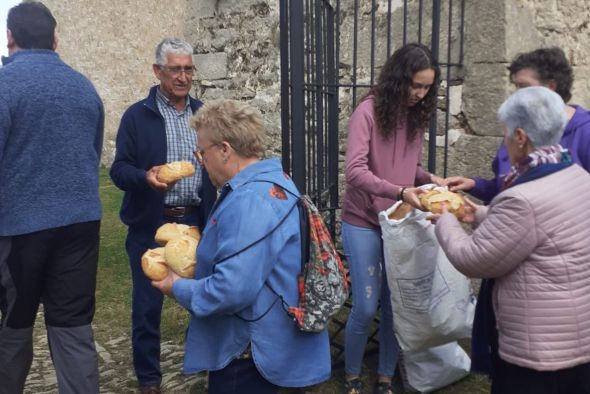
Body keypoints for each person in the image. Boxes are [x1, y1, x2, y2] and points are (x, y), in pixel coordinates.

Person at [152, 99, 331, 394]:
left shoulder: (251, 200)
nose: (200, 161)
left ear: (224, 150)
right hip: (273, 343)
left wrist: (176, 286)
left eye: (202, 152)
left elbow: (231, 289)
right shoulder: (276, 180)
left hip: (250, 354)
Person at [433, 86, 590, 394]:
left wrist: (445, 218)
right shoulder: (576, 176)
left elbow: (473, 258)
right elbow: (536, 228)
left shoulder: (522, 197)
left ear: (520, 136)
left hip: (538, 352)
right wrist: (476, 214)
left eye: (505, 132)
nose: (503, 140)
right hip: (578, 338)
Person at [0, 2, 104, 393]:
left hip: (21, 229)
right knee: (73, 327)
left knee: (14, 325)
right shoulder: (83, 86)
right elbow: (92, 155)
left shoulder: (5, 87)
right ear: (54, 39)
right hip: (80, 224)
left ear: (10, 37)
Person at [109, 38, 216, 394]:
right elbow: (119, 169)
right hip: (151, 224)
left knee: (205, 300)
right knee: (146, 305)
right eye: (175, 69)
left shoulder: (203, 115)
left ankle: (205, 365)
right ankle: (150, 380)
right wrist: (144, 176)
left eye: (188, 68)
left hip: (196, 221)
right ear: (158, 71)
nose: (183, 76)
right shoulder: (137, 116)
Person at [341, 43, 442, 394]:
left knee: (395, 304)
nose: (420, 93)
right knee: (367, 306)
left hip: (399, 223)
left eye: (427, 87)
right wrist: (399, 191)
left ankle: (385, 376)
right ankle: (352, 375)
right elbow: (354, 171)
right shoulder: (366, 112)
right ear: (399, 79)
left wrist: (430, 179)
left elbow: (408, 168)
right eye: (416, 85)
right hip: (362, 220)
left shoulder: (415, 117)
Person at [445, 47, 590, 201]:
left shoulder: (585, 131)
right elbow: (508, 187)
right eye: (516, 87)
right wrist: (475, 185)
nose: (517, 95)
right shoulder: (519, 127)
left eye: (523, 87)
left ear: (551, 87)